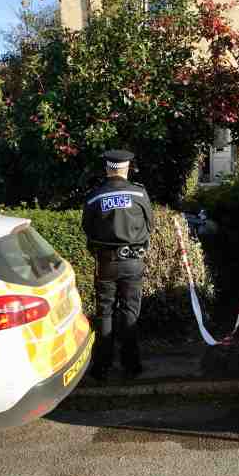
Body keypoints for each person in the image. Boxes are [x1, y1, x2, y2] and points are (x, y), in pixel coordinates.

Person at [81, 149, 153, 381]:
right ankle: (131, 366)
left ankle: (101, 367)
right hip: (133, 261)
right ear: (126, 168)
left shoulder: (94, 196)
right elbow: (149, 226)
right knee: (130, 312)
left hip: (106, 263)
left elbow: (88, 229)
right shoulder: (140, 194)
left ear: (107, 168)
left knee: (105, 313)